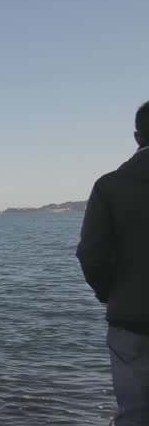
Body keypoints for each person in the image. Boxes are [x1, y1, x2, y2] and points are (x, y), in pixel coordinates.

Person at [77, 101, 149, 426]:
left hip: (131, 319)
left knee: (135, 413)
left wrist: (109, 293)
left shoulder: (110, 186)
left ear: (137, 136)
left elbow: (91, 254)